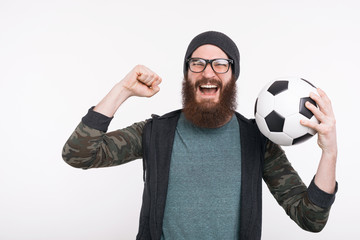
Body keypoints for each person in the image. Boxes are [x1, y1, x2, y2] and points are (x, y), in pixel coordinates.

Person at [62, 31, 338, 240]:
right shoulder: (155, 133)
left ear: (232, 76)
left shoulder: (257, 140)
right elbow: (78, 154)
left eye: (220, 64)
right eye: (197, 63)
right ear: (187, 76)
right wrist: (122, 89)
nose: (208, 72)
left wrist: (329, 152)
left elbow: (311, 219)